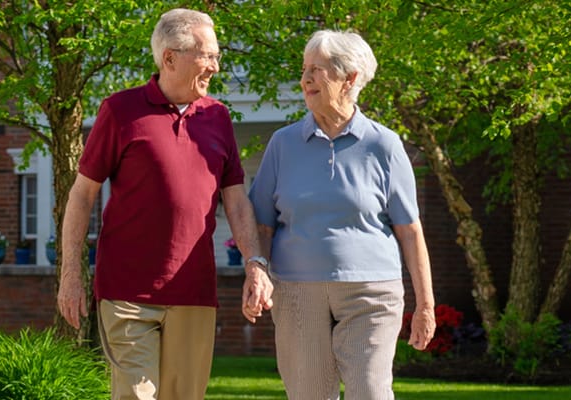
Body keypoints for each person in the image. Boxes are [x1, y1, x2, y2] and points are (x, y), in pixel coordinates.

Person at [55, 8, 267, 400]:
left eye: (217, 56)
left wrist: (255, 263)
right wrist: (71, 273)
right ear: (170, 57)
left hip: (194, 291)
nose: (216, 67)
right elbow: (82, 194)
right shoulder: (120, 111)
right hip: (127, 290)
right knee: (136, 395)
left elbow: (235, 200)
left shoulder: (218, 116)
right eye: (207, 56)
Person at [245, 29, 436, 400]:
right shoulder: (282, 144)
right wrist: (257, 272)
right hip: (297, 291)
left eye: (317, 70)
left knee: (370, 392)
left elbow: (410, 230)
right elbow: (262, 223)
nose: (305, 79)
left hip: (372, 291)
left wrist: (425, 306)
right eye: (304, 70)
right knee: (309, 394)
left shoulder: (384, 144)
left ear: (350, 78)